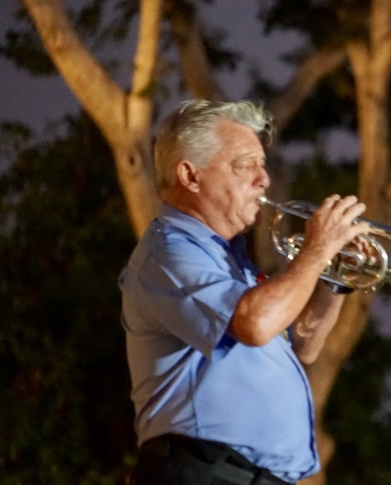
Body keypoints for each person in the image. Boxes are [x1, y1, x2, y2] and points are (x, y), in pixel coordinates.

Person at [119, 99, 370, 485]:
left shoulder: (230, 258)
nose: (263, 179)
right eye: (244, 165)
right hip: (201, 474)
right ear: (190, 175)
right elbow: (254, 325)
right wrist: (317, 250)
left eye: (262, 164)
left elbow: (304, 343)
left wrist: (336, 273)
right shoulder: (170, 252)